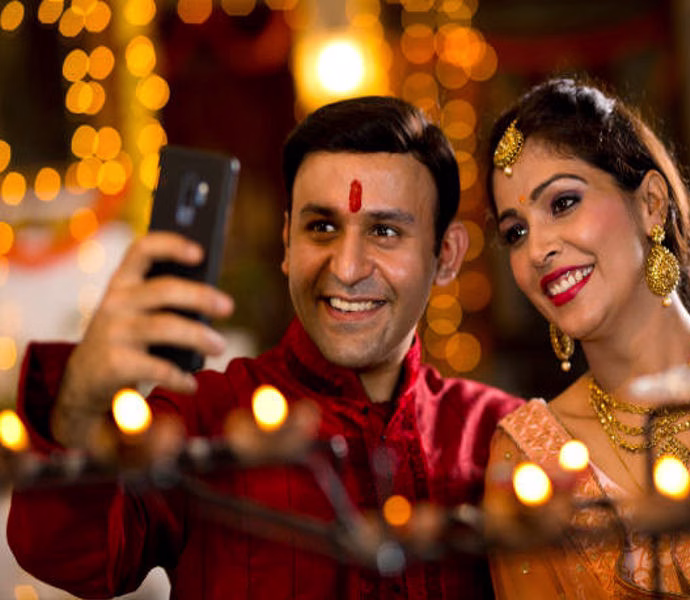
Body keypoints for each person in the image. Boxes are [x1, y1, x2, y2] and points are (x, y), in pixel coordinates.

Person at [6, 96, 524, 599]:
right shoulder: (200, 419)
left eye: (384, 231)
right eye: (321, 228)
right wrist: (78, 400)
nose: (345, 268)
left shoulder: (501, 438)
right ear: (286, 243)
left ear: (448, 255)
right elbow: (71, 558)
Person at [483, 76, 690, 598]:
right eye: (515, 232)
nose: (537, 249)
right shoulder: (527, 459)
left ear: (651, 203)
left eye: (562, 203)